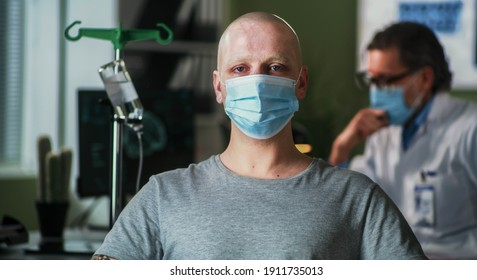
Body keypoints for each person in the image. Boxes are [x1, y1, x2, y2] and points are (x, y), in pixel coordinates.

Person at [92, 12, 426, 260]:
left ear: (302, 82)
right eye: (240, 69)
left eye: (276, 67)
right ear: (219, 86)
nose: (258, 81)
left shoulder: (357, 198)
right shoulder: (163, 196)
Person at [329, 21, 477, 259]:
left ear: (425, 78)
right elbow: (349, 206)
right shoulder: (382, 133)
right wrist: (341, 149)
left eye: (386, 81)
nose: (376, 91)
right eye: (372, 80)